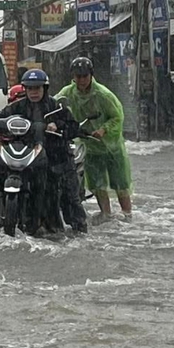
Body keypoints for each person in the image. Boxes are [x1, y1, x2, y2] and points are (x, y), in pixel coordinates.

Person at [0, 69, 87, 233]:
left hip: (55, 157)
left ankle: (79, 230)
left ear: (45, 88)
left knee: (69, 196)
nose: (33, 92)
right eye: (29, 88)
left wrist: (58, 125)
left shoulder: (55, 106)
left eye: (37, 88)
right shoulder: (18, 106)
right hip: (29, 156)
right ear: (25, 89)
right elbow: (0, 115)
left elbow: (73, 126)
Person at [56, 57, 133, 224]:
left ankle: (127, 215)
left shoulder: (103, 95)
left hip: (111, 146)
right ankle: (106, 214)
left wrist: (103, 129)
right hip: (89, 145)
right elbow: (54, 105)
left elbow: (117, 117)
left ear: (91, 75)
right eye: (78, 76)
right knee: (97, 183)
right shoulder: (68, 93)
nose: (81, 80)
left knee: (120, 182)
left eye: (84, 76)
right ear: (73, 76)